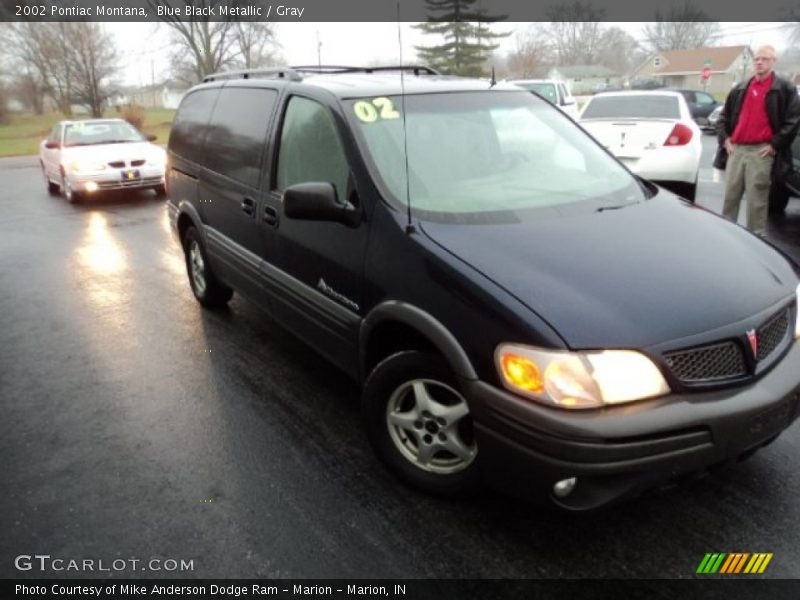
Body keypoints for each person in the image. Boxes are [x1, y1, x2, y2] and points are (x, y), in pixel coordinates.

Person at [717, 45, 800, 235]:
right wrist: (726, 139)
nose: (759, 62)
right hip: (736, 150)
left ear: (773, 62)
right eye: (757, 59)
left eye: (765, 59)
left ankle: (756, 239)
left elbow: (793, 121)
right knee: (730, 197)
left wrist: (775, 144)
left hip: (761, 151)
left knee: (757, 200)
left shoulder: (784, 88)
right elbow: (723, 118)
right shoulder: (740, 88)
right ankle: (725, 236)